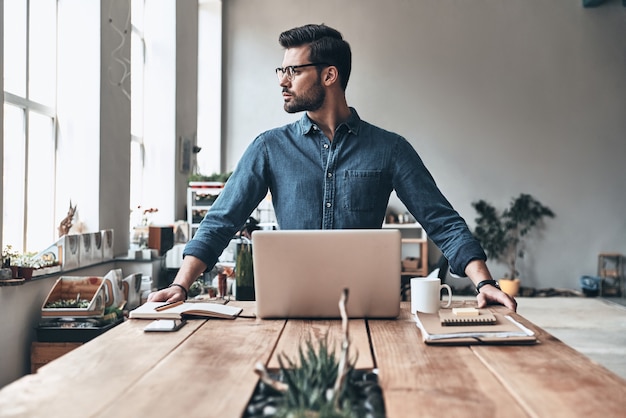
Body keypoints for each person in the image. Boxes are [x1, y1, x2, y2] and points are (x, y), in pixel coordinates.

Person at [149, 23, 516, 311]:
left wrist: (484, 283)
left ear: (329, 75)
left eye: (293, 70)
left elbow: (443, 221)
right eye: (281, 69)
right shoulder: (269, 148)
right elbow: (220, 221)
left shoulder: (390, 149)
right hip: (288, 304)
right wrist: (181, 285)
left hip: (369, 307)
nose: (282, 80)